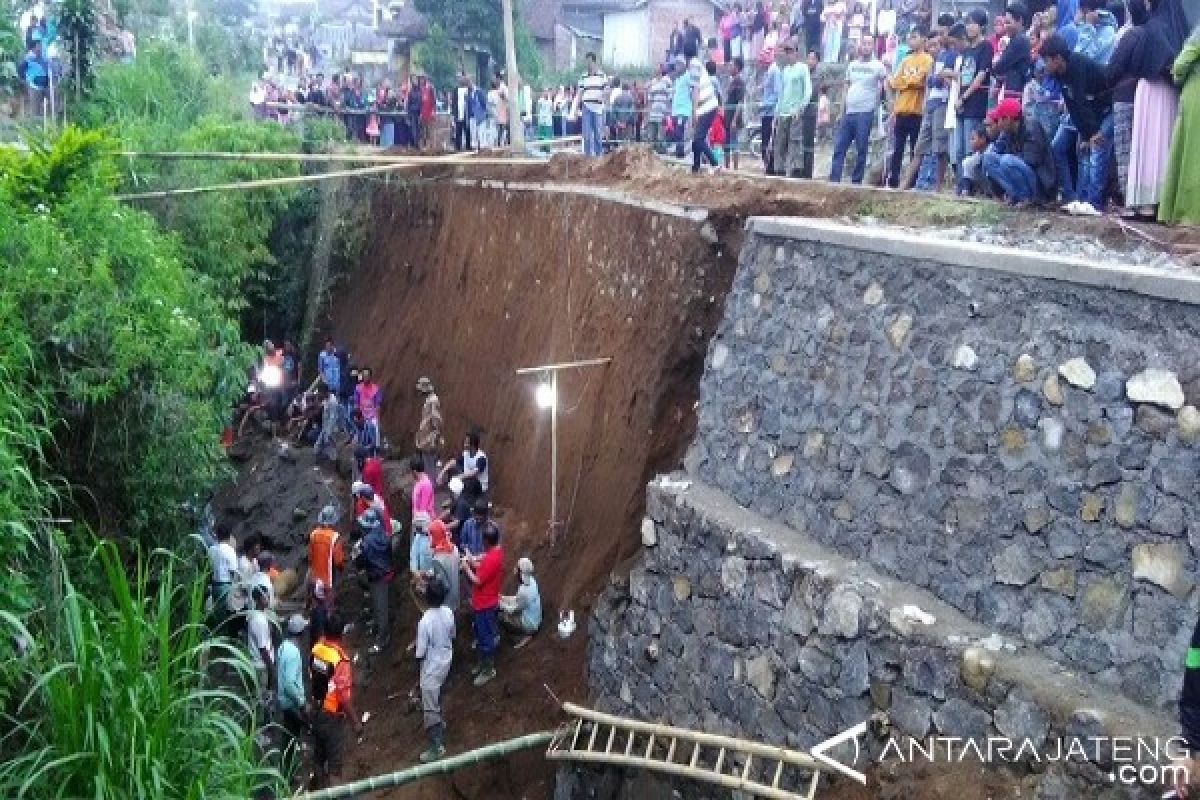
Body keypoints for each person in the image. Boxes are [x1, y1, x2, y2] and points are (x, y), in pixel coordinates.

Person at [1041, 33, 1114, 213]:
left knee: (1097, 149)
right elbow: (1072, 104)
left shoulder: (1077, 64)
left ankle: (1094, 203)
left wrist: (1093, 132)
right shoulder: (1059, 73)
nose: (1044, 64)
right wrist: (1084, 132)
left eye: (1046, 60)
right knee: (1071, 149)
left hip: (1108, 107)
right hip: (1090, 111)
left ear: (1057, 58)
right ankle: (1075, 198)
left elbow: (1080, 101)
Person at [310, 616, 362, 789]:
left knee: (318, 757)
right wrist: (355, 722)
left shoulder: (317, 648)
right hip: (331, 715)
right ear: (341, 635)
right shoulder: (341, 660)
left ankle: (317, 790)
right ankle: (333, 792)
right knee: (335, 764)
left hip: (315, 709)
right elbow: (343, 696)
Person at [831, 38, 888, 183]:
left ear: (873, 47)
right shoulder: (852, 65)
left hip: (865, 113)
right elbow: (846, 88)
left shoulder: (878, 66)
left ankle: (856, 182)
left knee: (861, 149)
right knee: (839, 148)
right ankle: (834, 180)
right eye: (864, 43)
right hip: (849, 112)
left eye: (869, 44)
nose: (866, 46)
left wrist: (887, 105)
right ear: (860, 46)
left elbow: (886, 85)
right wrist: (840, 111)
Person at [981, 97, 1057, 204]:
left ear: (1007, 119)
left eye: (998, 120)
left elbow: (1031, 160)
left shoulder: (1032, 127)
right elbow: (995, 151)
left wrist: (1008, 156)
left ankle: (1029, 198)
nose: (997, 124)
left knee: (1007, 160)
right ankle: (1015, 196)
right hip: (1024, 175)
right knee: (988, 157)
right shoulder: (1007, 131)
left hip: (1041, 183)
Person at [1159, 27, 1199, 225]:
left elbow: (1182, 62)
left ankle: (1187, 214)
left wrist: (1177, 76)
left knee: (1189, 154)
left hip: (1195, 94)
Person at [415, 579, 455, 762]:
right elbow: (452, 635)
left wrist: (419, 674)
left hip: (431, 668)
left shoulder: (425, 622)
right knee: (440, 694)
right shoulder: (448, 612)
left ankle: (436, 747)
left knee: (429, 708)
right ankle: (441, 722)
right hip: (446, 660)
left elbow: (421, 653)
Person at [888, 30, 933, 187]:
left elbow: (920, 81)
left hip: (917, 111)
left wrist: (907, 82)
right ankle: (893, 180)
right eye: (909, 37)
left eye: (915, 37)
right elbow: (894, 82)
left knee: (916, 149)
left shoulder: (928, 59)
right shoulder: (906, 59)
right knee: (897, 149)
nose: (911, 40)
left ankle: (912, 182)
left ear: (923, 39)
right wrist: (909, 82)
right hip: (901, 110)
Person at [461, 522, 504, 686]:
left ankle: (489, 669)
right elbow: (483, 566)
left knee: (485, 637)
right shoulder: (495, 552)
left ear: (486, 541)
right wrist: (472, 561)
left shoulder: (492, 558)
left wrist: (466, 567)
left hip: (485, 604)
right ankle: (482, 663)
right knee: (480, 635)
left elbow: (477, 580)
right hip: (483, 602)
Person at [954, 10, 995, 179]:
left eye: (973, 23)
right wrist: (958, 97)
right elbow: (961, 75)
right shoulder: (967, 50)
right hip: (961, 105)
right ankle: (959, 186)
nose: (969, 27)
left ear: (982, 26)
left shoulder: (986, 47)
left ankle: (969, 187)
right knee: (958, 150)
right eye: (968, 23)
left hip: (975, 103)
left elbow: (980, 76)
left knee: (971, 148)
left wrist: (964, 97)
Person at [772, 38, 814, 178]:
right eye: (787, 51)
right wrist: (777, 111)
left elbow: (807, 90)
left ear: (796, 52)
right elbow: (782, 93)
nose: (788, 54)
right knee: (780, 142)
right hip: (783, 111)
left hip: (795, 112)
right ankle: (779, 169)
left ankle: (796, 169)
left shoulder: (802, 68)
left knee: (794, 141)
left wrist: (801, 108)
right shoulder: (785, 70)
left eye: (791, 51)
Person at [357, 508, 394, 655]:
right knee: (382, 605)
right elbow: (390, 553)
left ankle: (382, 639)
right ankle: (379, 627)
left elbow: (362, 562)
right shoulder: (384, 535)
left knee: (381, 608)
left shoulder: (366, 542)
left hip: (376, 576)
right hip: (386, 573)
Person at [276, 613, 310, 773]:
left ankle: (287, 769)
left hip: (284, 701)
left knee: (288, 738)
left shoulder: (283, 646)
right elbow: (290, 683)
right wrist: (301, 702)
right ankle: (288, 773)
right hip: (291, 703)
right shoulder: (293, 653)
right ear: (301, 632)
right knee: (292, 737)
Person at [308, 504, 344, 641]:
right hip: (328, 581)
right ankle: (327, 639)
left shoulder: (313, 535)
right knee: (328, 610)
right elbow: (339, 560)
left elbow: (310, 557)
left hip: (314, 579)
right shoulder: (335, 537)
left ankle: (314, 636)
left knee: (316, 610)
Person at [992, 4, 1033, 103]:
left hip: (1015, 94)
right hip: (1011, 92)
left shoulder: (1019, 40)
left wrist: (996, 63)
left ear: (1020, 20)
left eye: (1008, 22)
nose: (1005, 27)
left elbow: (999, 66)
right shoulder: (1015, 39)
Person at [689, 51, 722, 173]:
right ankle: (695, 167)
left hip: (706, 108)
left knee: (698, 139)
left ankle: (714, 163)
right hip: (708, 107)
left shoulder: (693, 65)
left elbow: (696, 90)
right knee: (696, 139)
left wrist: (695, 112)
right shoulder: (697, 64)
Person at [499, 557, 542, 649]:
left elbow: (513, 610)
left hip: (530, 624)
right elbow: (518, 600)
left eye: (517, 568)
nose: (514, 569)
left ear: (521, 573)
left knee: (501, 616)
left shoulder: (524, 591)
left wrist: (500, 604)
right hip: (534, 619)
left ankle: (520, 637)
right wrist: (503, 598)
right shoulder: (532, 581)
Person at [571, 53, 609, 156]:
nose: (588, 64)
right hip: (586, 107)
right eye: (586, 62)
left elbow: (606, 90)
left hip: (597, 108)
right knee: (586, 134)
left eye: (590, 62)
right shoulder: (583, 76)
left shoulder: (602, 75)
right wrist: (574, 110)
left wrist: (603, 96)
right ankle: (587, 157)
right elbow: (579, 93)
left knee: (597, 133)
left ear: (594, 62)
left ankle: (598, 155)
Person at [246, 586, 276, 706]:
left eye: (268, 596)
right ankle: (260, 721)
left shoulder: (257, 615)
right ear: (258, 600)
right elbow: (263, 649)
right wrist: (271, 668)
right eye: (265, 597)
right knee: (261, 698)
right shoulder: (259, 621)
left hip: (257, 661)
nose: (268, 599)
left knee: (259, 696)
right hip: (261, 664)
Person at [208, 523, 239, 630]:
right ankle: (224, 636)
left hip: (214, 585)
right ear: (229, 535)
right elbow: (233, 572)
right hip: (226, 585)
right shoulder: (230, 550)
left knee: (217, 613)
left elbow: (208, 569)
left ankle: (217, 633)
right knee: (227, 616)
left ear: (217, 534)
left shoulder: (211, 549)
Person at [438, 430, 489, 496]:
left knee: (467, 482)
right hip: (467, 480)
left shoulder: (481, 458)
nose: (464, 444)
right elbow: (453, 462)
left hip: (478, 485)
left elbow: (473, 473)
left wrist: (458, 477)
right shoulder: (466, 454)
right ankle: (453, 498)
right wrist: (442, 473)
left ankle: (462, 500)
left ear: (472, 445)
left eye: (466, 442)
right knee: (452, 470)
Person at [428, 519, 461, 610]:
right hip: (455, 596)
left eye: (430, 534)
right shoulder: (454, 549)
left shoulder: (437, 559)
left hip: (445, 602)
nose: (429, 537)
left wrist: (431, 579)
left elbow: (444, 586)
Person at [760, 47, 784, 170]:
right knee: (765, 140)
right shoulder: (768, 71)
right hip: (765, 112)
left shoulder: (775, 71)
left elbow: (778, 93)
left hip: (771, 112)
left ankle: (771, 167)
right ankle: (767, 166)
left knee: (770, 140)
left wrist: (766, 105)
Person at [414, 377, 442, 479]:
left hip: (429, 436)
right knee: (427, 461)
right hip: (426, 435)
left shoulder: (433, 400)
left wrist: (434, 435)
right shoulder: (429, 399)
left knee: (429, 462)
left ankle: (431, 484)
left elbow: (436, 418)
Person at [724, 57, 747, 170]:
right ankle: (727, 168)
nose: (729, 67)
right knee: (727, 144)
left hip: (733, 118)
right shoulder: (732, 81)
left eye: (731, 65)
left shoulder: (740, 82)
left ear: (737, 68)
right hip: (727, 118)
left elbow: (740, 102)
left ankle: (735, 169)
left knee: (734, 143)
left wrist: (734, 120)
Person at [646, 66, 674, 149]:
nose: (656, 70)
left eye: (658, 68)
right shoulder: (652, 82)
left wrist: (668, 112)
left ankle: (661, 151)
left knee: (661, 136)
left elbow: (670, 96)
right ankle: (652, 152)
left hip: (662, 112)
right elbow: (650, 99)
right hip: (653, 112)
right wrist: (648, 112)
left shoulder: (667, 80)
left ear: (662, 70)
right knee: (651, 136)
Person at [452, 73, 473, 151]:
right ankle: (458, 146)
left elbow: (471, 98)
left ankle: (468, 146)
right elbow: (453, 102)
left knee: (467, 130)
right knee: (458, 130)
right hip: (458, 113)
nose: (459, 79)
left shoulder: (468, 88)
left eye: (460, 78)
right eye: (458, 78)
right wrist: (454, 113)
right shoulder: (455, 89)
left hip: (466, 113)